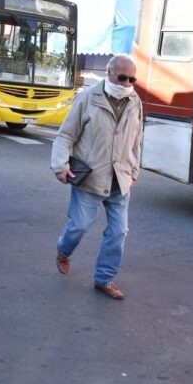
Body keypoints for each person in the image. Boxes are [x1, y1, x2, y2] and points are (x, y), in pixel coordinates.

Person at [50, 54, 143, 300]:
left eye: (132, 79)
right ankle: (64, 250)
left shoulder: (135, 101)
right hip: (91, 177)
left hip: (120, 179)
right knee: (79, 225)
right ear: (109, 72)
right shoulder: (88, 97)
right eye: (122, 78)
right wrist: (60, 165)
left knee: (119, 231)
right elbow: (65, 135)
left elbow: (136, 140)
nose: (126, 84)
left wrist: (134, 171)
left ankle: (104, 279)